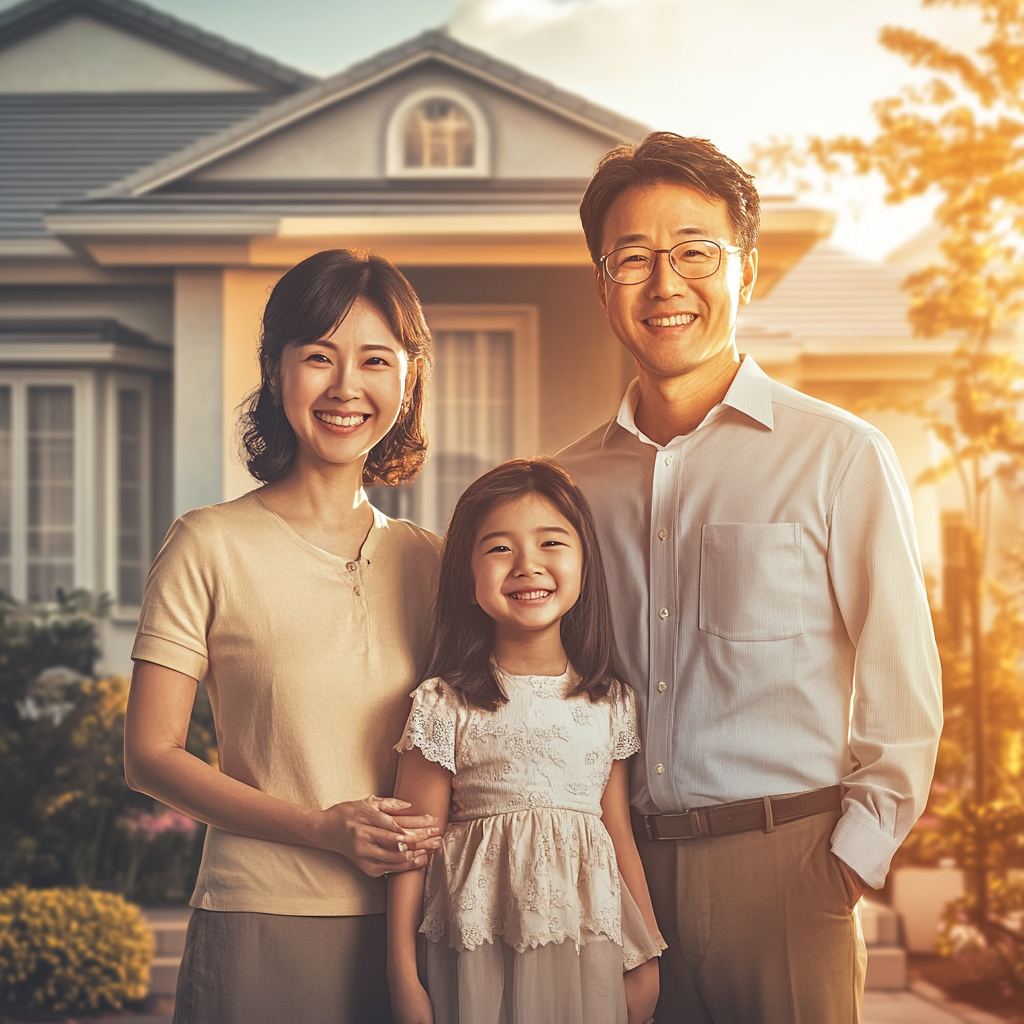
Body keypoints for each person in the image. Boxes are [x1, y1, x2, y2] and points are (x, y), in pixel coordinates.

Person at [556, 133, 944, 1023]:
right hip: (615, 873)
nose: (666, 284)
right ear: (601, 283)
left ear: (748, 271)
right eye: (634, 258)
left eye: (695, 251)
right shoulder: (569, 486)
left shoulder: (840, 456)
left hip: (788, 869)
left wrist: (848, 861)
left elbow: (902, 685)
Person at [123, 248, 443, 1024]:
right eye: (318, 358)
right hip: (260, 920)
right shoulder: (207, 543)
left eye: (374, 359)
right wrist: (318, 828)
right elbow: (150, 756)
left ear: (408, 380)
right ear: (276, 372)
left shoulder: (436, 561)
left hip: (419, 929)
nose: (345, 387)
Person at [386, 459, 666, 1024]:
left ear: (585, 561)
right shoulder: (444, 702)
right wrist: (402, 976)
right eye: (498, 549)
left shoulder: (610, 702)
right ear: (466, 576)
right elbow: (411, 847)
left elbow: (618, 834)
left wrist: (647, 956)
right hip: (476, 948)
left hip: (585, 948)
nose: (527, 565)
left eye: (551, 543)